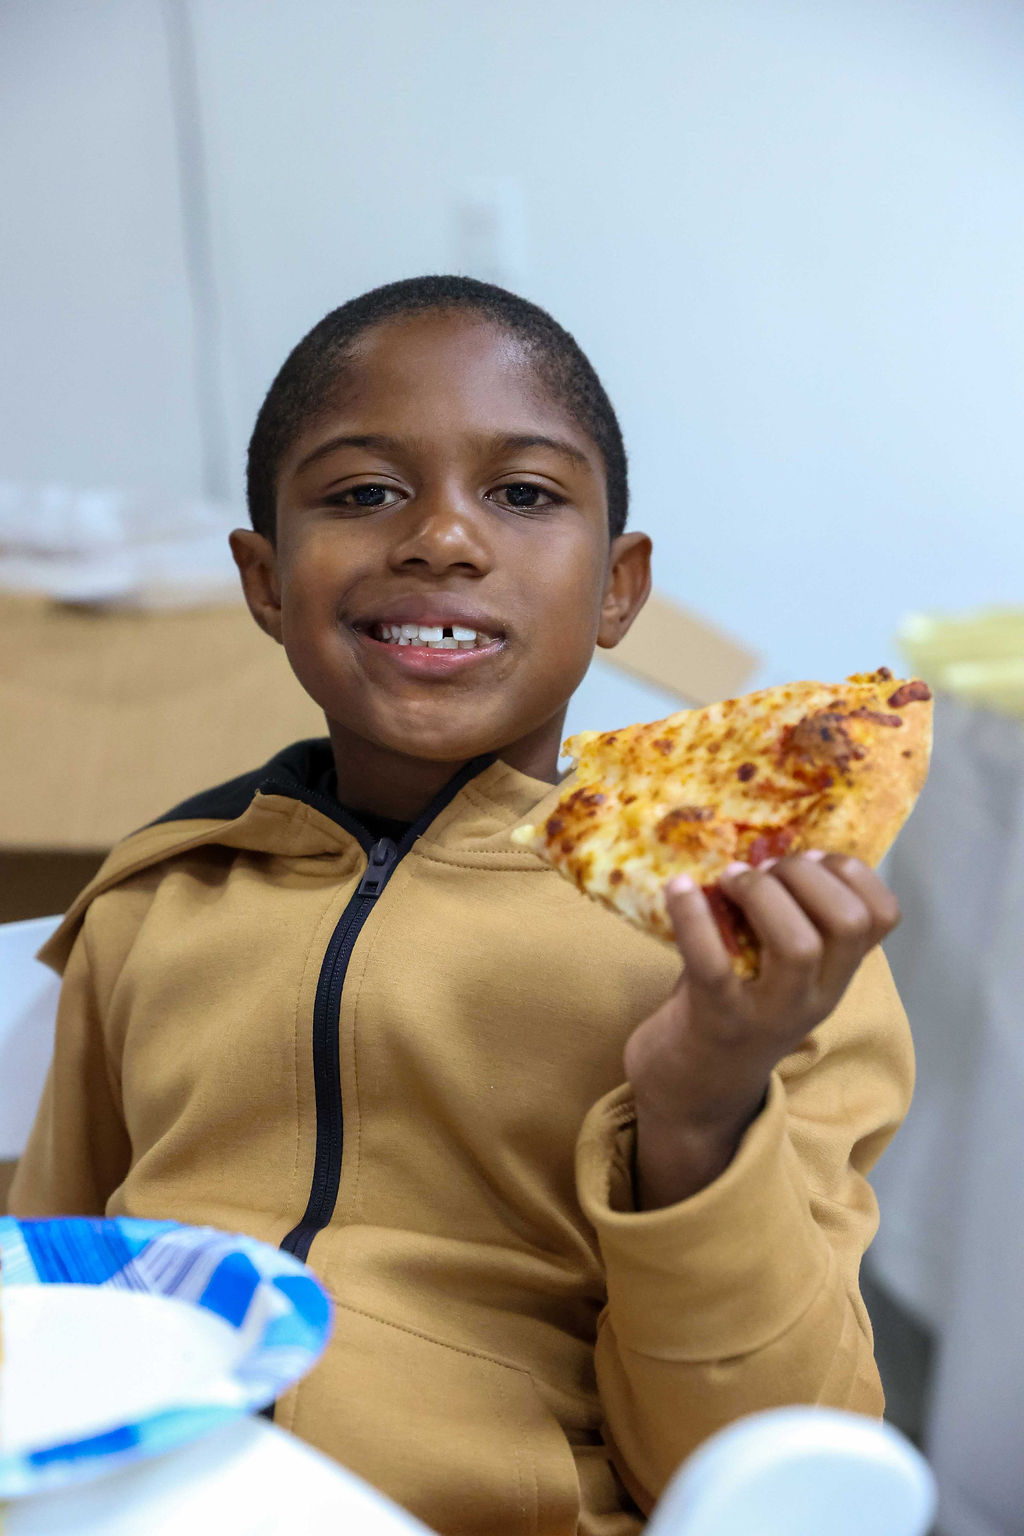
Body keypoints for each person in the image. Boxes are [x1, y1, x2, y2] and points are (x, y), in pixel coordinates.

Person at [10, 276, 913, 1535]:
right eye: (362, 493)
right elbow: (51, 1302)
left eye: (524, 494)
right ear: (265, 580)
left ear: (618, 586)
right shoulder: (154, 901)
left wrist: (702, 1112)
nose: (440, 537)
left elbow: (766, 1471)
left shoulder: (747, 951)